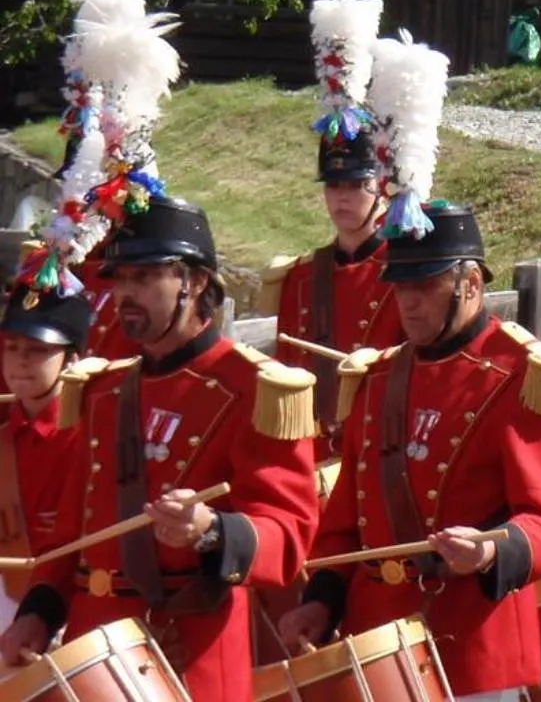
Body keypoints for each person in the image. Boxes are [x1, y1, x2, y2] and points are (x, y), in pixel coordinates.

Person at [0, 198, 322, 694]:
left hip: (186, 652)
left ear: (192, 282)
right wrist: (39, 613)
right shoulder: (103, 391)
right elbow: (71, 534)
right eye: (121, 278)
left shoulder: (254, 388)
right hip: (95, 653)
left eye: (144, 278)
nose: (125, 293)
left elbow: (289, 533)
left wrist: (212, 530)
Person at [280, 202, 541, 698]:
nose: (409, 304)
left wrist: (490, 548)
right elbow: (344, 526)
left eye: (425, 287)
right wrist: (321, 601)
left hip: (471, 641)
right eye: (401, 288)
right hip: (379, 641)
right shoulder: (376, 378)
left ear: (472, 286)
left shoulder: (522, 375)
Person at [259, 0, 404, 437]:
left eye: (355, 186)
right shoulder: (300, 278)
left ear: (381, 188)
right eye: (333, 186)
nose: (341, 198)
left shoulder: (405, 270)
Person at [0, 275, 90, 630]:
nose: (20, 360)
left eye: (38, 349)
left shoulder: (90, 437)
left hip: (67, 611)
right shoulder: (4, 439)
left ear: (72, 360)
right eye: (11, 347)